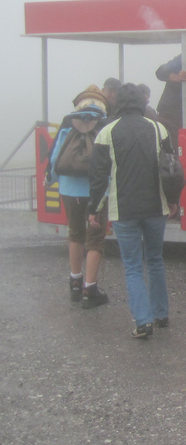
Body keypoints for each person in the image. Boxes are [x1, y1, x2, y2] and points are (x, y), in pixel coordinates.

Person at [89, 84, 179, 338]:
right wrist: (173, 200)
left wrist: (94, 208)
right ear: (141, 102)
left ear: (118, 103)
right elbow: (171, 168)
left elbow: (98, 177)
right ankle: (161, 314)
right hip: (156, 206)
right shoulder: (158, 129)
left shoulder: (106, 133)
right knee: (155, 260)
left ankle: (143, 322)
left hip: (123, 209)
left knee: (133, 266)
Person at [46, 86, 110, 308]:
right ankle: (90, 289)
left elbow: (55, 155)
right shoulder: (105, 123)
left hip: (69, 188)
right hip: (97, 190)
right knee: (95, 238)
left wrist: (52, 179)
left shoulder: (68, 121)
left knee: (75, 234)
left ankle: (75, 281)